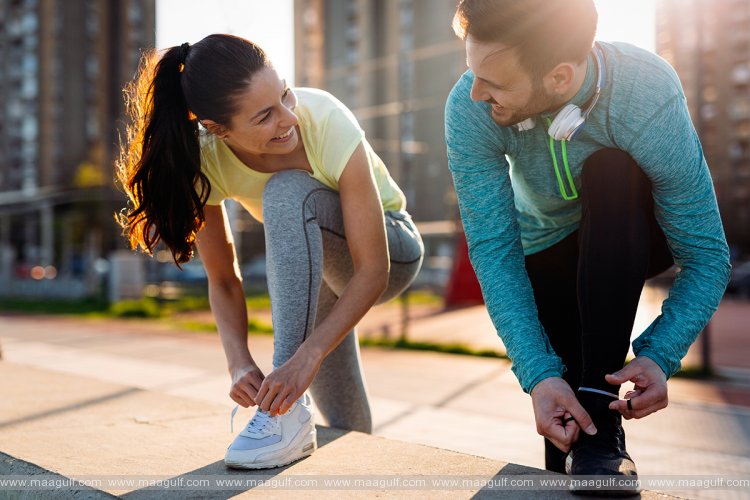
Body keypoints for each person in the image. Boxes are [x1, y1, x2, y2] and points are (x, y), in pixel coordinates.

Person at [445, 0, 730, 491]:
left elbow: (707, 256)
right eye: (473, 72)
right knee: (568, 422)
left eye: (493, 81)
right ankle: (595, 441)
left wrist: (661, 354)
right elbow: (494, 250)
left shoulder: (645, 90)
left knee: (611, 169)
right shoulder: (468, 110)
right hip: (546, 250)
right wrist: (537, 374)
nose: (475, 93)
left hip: (634, 231)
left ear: (558, 78)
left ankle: (602, 408)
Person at [117, 34, 423, 469]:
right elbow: (223, 278)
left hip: (393, 251)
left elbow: (374, 269)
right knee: (344, 420)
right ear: (217, 129)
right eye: (264, 116)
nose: (288, 119)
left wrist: (306, 356)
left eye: (284, 94)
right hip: (316, 267)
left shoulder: (325, 119)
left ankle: (278, 417)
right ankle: (344, 466)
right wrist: (238, 362)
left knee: (286, 192)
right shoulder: (205, 161)